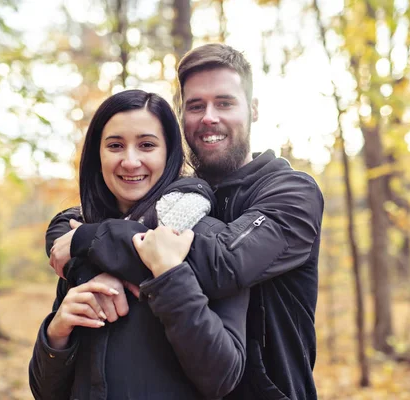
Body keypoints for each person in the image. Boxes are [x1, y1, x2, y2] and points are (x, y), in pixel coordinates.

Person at [48, 44, 324, 399]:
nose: (209, 117)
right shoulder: (177, 198)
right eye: (196, 105)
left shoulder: (290, 192)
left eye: (225, 102)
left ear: (253, 110)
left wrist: (93, 243)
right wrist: (84, 258)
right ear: (182, 116)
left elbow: (225, 262)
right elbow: (73, 222)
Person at [29, 89, 249, 400]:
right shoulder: (83, 244)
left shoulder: (209, 239)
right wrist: (58, 331)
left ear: (169, 152)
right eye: (115, 145)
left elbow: (223, 377)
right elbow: (45, 392)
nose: (130, 161)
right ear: (98, 155)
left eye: (146, 145)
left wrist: (167, 278)